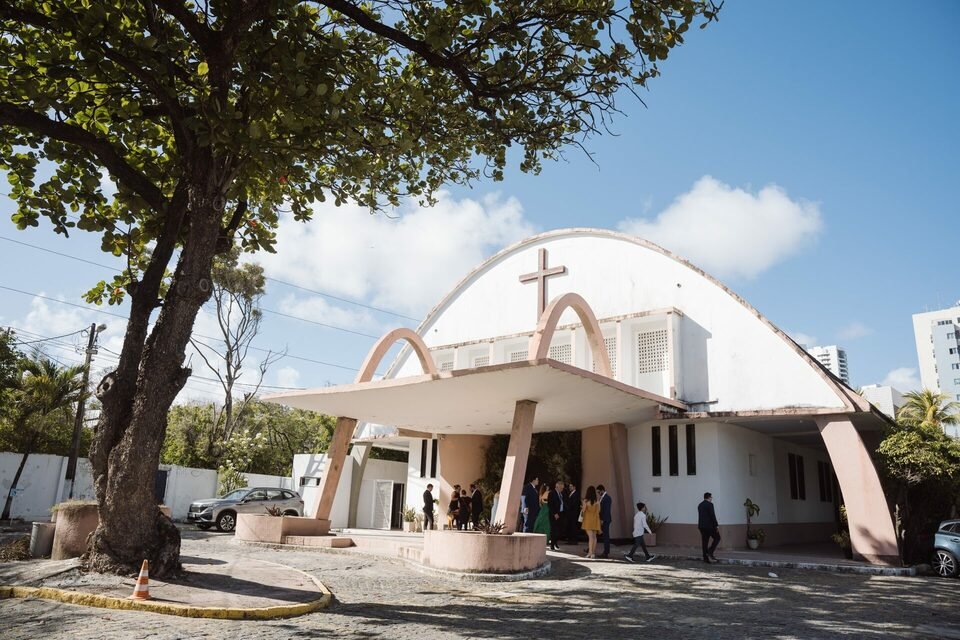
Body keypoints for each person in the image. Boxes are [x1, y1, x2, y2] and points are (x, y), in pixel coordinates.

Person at [698, 491, 721, 563]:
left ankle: (705, 558)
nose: (712, 498)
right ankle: (710, 551)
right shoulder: (710, 505)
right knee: (717, 538)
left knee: (704, 542)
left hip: (701, 526)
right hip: (710, 526)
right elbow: (712, 515)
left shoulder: (700, 505)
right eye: (711, 497)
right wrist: (716, 525)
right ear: (708, 497)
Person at [581, 485, 601, 558]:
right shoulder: (597, 501)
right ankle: (593, 553)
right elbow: (599, 511)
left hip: (588, 520)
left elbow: (583, 510)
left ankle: (590, 553)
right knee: (594, 537)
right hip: (595, 519)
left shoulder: (586, 501)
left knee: (590, 537)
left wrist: (582, 506)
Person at [547, 480, 565, 551]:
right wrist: (554, 513)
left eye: (562, 488)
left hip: (560, 513)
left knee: (559, 530)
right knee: (554, 529)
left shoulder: (561, 494)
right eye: (561, 488)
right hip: (554, 514)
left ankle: (555, 542)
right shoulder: (552, 493)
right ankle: (552, 545)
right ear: (557, 486)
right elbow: (550, 504)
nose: (562, 489)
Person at [597, 484, 613, 559]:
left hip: (605, 520)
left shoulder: (607, 498)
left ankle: (606, 552)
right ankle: (590, 549)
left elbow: (606, 510)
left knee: (606, 536)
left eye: (599, 492)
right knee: (598, 534)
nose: (598, 493)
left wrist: (602, 520)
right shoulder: (602, 498)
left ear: (602, 490)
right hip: (603, 519)